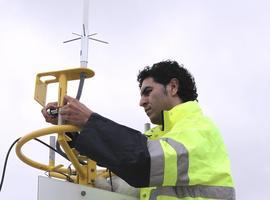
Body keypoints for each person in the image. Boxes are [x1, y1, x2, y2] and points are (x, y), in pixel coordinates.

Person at [42, 60, 235, 200]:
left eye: (148, 92)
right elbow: (124, 158)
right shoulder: (159, 137)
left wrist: (88, 121)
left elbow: (141, 162)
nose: (141, 101)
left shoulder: (199, 129)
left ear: (173, 87)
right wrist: (72, 130)